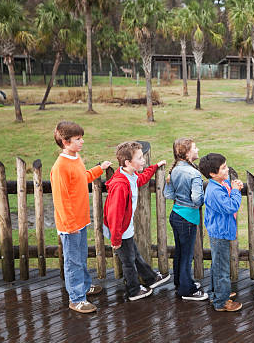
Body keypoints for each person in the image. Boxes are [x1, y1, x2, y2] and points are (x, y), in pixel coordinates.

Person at [50, 121, 111, 314]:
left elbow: (82, 178)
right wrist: (69, 225)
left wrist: (99, 168)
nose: (82, 142)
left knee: (81, 257)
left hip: (81, 220)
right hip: (70, 225)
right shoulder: (60, 167)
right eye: (78, 139)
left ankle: (84, 286)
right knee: (73, 261)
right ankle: (76, 299)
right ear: (65, 142)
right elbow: (60, 198)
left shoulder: (75, 158)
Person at [103, 141, 171, 301]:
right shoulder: (120, 185)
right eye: (140, 158)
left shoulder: (130, 176)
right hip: (118, 230)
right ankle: (133, 291)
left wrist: (154, 167)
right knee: (128, 261)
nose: (143, 161)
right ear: (128, 162)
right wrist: (116, 239)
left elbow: (141, 179)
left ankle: (151, 278)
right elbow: (115, 215)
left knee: (134, 255)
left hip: (125, 228)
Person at [199, 153, 243, 312]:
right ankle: (221, 301)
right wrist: (237, 191)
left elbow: (228, 192)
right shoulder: (214, 191)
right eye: (223, 168)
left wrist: (233, 186)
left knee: (218, 264)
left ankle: (217, 292)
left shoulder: (220, 184)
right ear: (212, 174)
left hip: (219, 231)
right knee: (222, 268)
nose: (227, 169)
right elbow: (231, 206)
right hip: (220, 233)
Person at [164, 138, 207, 301]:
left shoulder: (174, 170)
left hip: (176, 215)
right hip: (188, 218)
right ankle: (186, 290)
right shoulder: (194, 173)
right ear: (188, 152)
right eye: (195, 148)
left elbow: (168, 195)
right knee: (187, 255)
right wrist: (204, 198)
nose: (198, 150)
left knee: (180, 253)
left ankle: (181, 282)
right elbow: (197, 200)